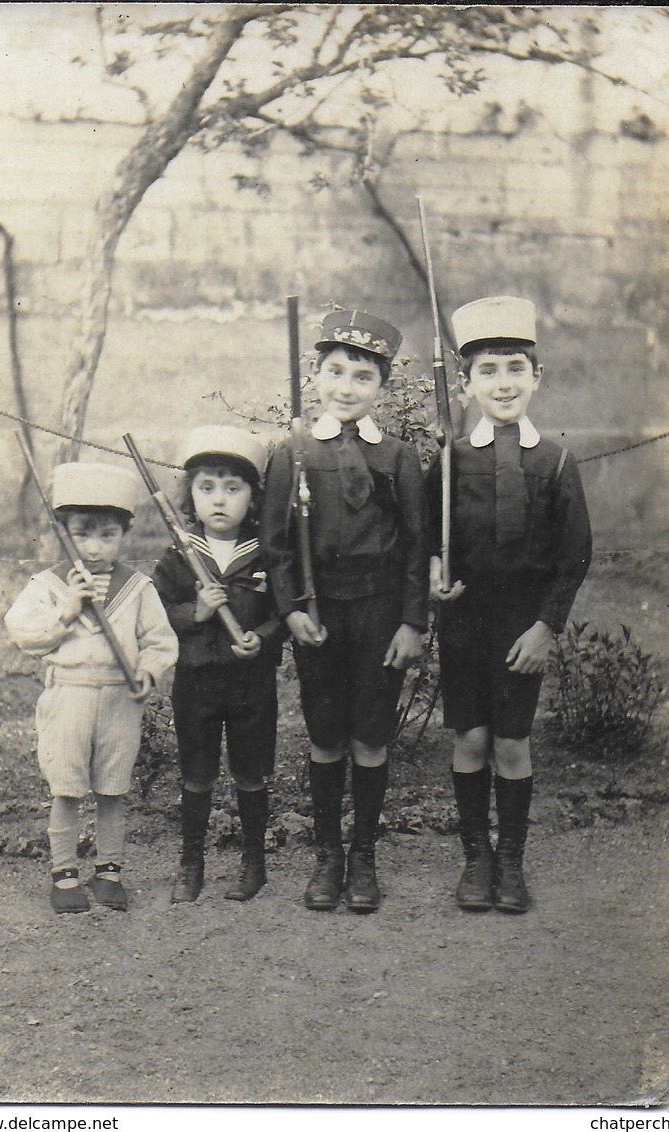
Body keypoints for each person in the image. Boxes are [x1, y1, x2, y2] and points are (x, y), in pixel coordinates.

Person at [426, 296, 592, 914]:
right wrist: (436, 573)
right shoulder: (449, 461)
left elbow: (574, 555)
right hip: (465, 621)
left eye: (515, 368)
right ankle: (476, 860)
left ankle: (513, 863)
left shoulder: (555, 461)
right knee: (469, 738)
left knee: (513, 744)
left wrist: (546, 626)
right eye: (488, 371)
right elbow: (428, 537)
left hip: (523, 626)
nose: (503, 383)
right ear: (466, 385)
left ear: (536, 379)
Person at [261, 309, 429, 913]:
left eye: (363, 377)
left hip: (381, 613)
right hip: (320, 614)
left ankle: (364, 857)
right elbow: (276, 544)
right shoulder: (294, 452)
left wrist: (413, 621)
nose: (346, 388)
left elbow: (417, 544)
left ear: (382, 387)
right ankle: (328, 856)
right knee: (327, 735)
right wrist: (290, 610)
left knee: (371, 735)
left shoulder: (400, 458)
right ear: (315, 377)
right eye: (335, 372)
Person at [4, 461, 178, 914]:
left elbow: (159, 641)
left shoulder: (136, 588)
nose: (95, 547)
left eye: (108, 535)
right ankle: (64, 875)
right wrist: (67, 613)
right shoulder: (49, 585)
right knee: (66, 786)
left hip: (119, 698)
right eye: (82, 534)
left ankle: (109, 871)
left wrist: (148, 671)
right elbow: (23, 631)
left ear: (125, 535)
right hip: (69, 697)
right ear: (63, 533)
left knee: (112, 788)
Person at [153, 426, 286, 905]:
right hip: (197, 682)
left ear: (253, 498)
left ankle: (254, 862)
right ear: (189, 494)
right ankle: (192, 863)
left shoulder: (268, 556)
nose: (219, 500)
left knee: (251, 772)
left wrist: (263, 639)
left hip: (251, 683)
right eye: (207, 487)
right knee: (197, 773)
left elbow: (283, 615)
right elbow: (159, 614)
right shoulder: (178, 557)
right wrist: (198, 613)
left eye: (233, 488)